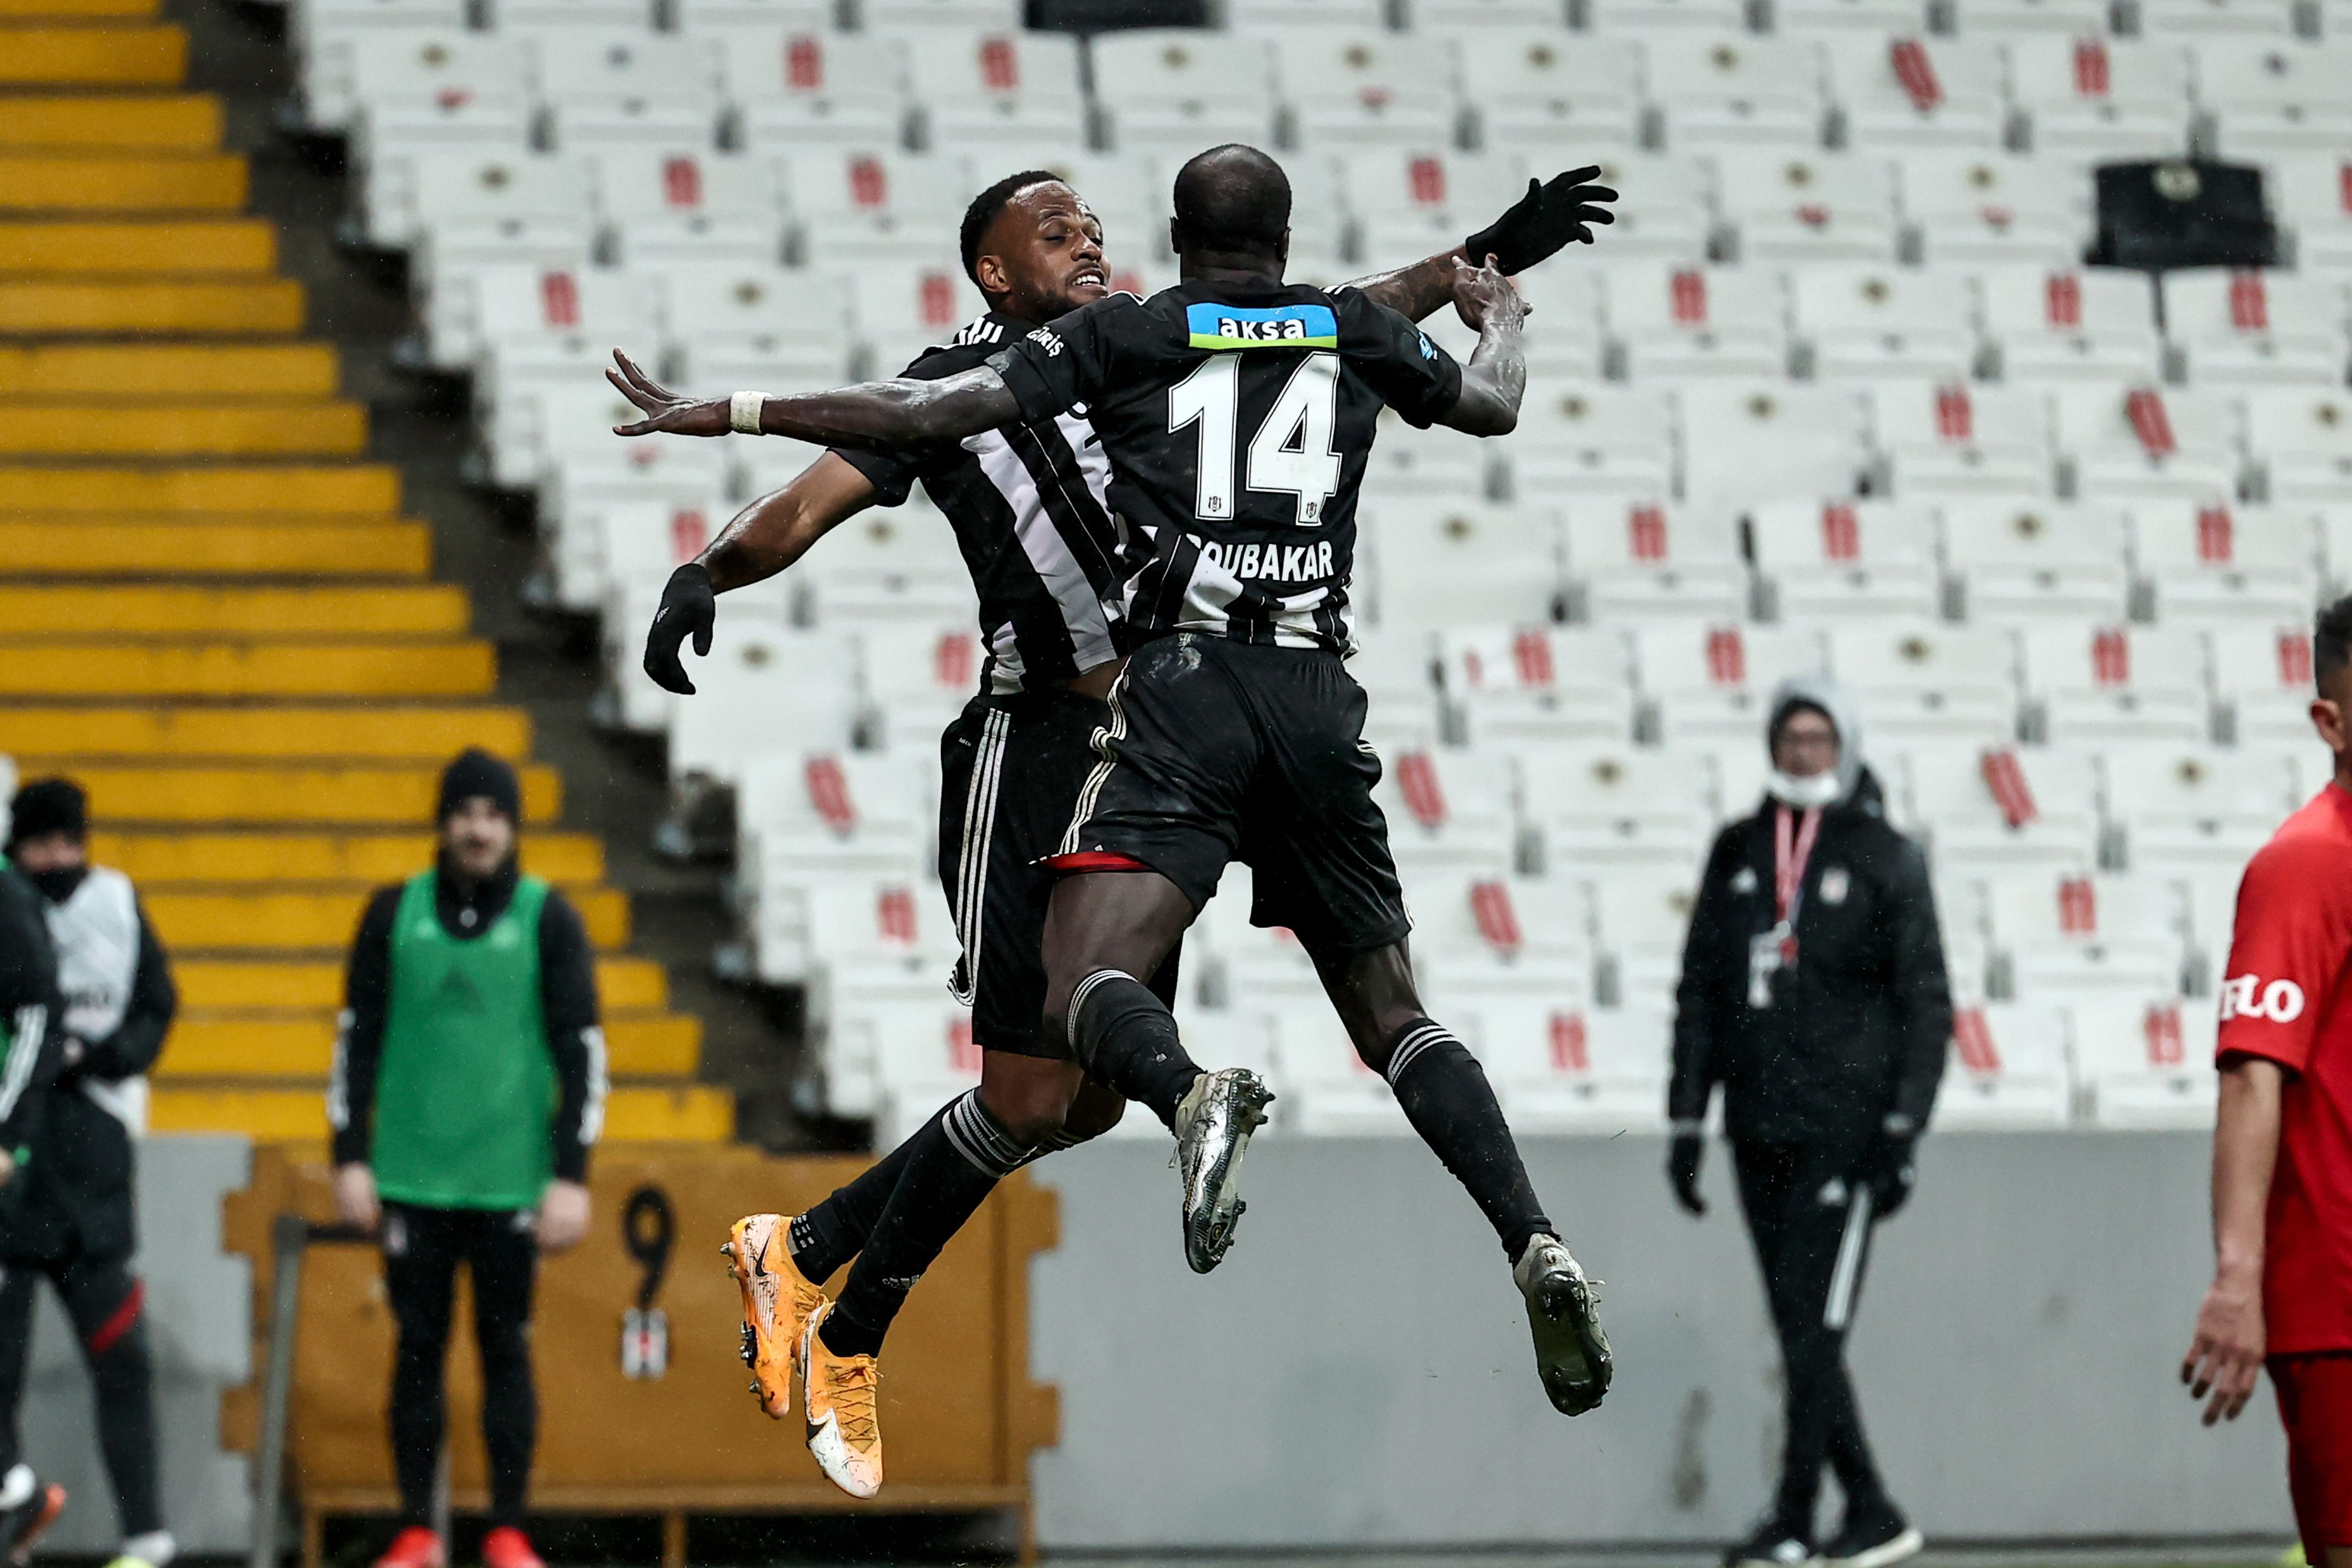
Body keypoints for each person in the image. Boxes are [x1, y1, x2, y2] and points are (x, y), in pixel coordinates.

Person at [611, 141, 1616, 1494]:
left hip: (1158, 735)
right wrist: (707, 567)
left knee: (1069, 1105)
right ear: (990, 267)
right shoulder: (964, 375)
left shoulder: (1149, 339)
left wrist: (1486, 248)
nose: (1085, 239)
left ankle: (802, 1261)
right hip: (1043, 738)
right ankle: (841, 1317)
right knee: (1039, 1087)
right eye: (1052, 228)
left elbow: (1331, 317)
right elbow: (824, 489)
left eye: (1091, 221)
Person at [1665, 676, 1950, 1568]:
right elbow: (1701, 990)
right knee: (1798, 1327)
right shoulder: (1738, 849)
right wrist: (1685, 1120)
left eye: (1820, 738)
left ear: (1847, 746)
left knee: (1813, 1330)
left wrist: (1903, 1128)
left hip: (1849, 1131)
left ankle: (1797, 1517)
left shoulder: (1884, 855)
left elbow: (1927, 1002)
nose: (1803, 753)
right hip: (1757, 1128)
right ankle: (1868, 1509)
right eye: (1790, 737)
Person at [326, 750, 606, 1568]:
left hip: (510, 1183)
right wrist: (349, 1157)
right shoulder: (391, 913)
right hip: (411, 1180)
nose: (477, 827)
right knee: (416, 1349)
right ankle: (417, 1530)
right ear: (443, 823)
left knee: (505, 1349)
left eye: (492, 812)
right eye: (464, 811)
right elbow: (355, 1044)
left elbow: (583, 1052)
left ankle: (509, 1532)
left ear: (512, 826)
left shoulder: (549, 919)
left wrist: (570, 1176)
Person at [2182, 595, 2352, 1568]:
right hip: (2340, 1299)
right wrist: (2239, 1279)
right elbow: (2254, 1075)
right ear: (2331, 722)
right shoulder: (2306, 865)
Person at [0, 779, 176, 1568]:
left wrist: (105, 1059)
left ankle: (146, 1536)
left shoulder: (116, 901)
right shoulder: (10, 906)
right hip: (15, 1174)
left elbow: (157, 1006)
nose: (59, 861)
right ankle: (13, 1513)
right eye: (43, 846)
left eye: (70, 844)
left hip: (88, 1175)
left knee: (119, 1353)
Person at [0, 811, 65, 1566]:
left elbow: (33, 1014)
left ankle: (14, 1493)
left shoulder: (7, 900)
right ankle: (13, 1490)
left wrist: (5, 1133)